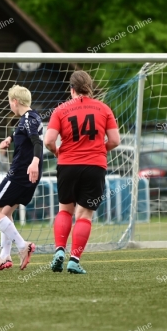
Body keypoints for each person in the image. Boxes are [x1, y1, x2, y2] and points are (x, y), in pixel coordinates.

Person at [44, 70, 120, 274]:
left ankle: (59, 249)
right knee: (85, 215)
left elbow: (49, 141)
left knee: (65, 210)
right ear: (90, 89)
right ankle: (74, 260)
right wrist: (98, 151)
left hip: (67, 165)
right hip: (94, 166)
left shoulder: (60, 110)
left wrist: (58, 152)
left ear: (72, 90)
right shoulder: (104, 109)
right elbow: (114, 140)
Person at [0, 85, 42, 271]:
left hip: (19, 173)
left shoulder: (27, 120)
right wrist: (10, 139)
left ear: (15, 101)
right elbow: (23, 131)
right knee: (6, 213)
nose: (9, 104)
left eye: (10, 101)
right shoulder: (31, 117)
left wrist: (34, 161)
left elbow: (36, 141)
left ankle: (22, 246)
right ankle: (4, 257)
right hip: (27, 174)